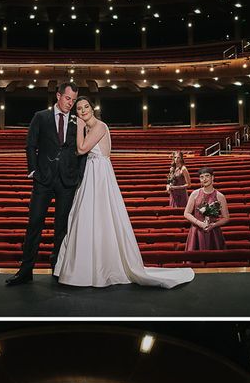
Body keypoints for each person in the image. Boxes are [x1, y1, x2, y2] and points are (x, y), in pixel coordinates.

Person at [54, 97, 194, 289]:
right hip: (91, 173)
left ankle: (102, 268)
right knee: (85, 217)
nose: (83, 110)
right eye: (79, 109)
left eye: (86, 107)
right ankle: (84, 268)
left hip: (99, 175)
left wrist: (78, 126)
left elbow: (81, 149)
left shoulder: (99, 126)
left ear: (92, 109)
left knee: (101, 217)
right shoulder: (88, 128)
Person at [6, 81, 86, 286]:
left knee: (62, 228)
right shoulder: (40, 117)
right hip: (43, 180)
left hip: (67, 181)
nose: (71, 103)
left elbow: (82, 150)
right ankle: (25, 271)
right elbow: (30, 145)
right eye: (68, 98)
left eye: (74, 100)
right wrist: (33, 171)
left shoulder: (78, 121)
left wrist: (79, 176)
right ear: (58, 96)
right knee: (34, 224)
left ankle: (58, 270)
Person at [183, 169, 229, 250]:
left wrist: (213, 225)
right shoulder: (195, 194)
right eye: (202, 177)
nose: (204, 179)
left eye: (207, 176)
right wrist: (199, 223)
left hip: (213, 232)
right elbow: (186, 213)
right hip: (196, 231)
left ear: (212, 177)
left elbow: (226, 218)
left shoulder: (220, 196)